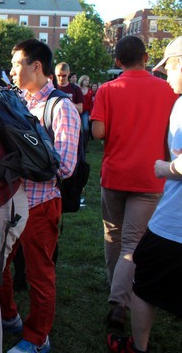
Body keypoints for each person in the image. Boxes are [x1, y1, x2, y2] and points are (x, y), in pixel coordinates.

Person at [90, 35, 177, 331]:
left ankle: (116, 294)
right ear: (146, 56)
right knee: (132, 241)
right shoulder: (167, 89)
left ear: (117, 61)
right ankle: (120, 298)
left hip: (114, 174)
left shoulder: (107, 89)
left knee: (114, 237)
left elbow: (98, 132)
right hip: (150, 175)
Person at [0, 38, 80, 353]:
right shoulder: (17, 101)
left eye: (17, 63)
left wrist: (21, 162)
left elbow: (66, 166)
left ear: (36, 66)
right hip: (9, 201)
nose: (12, 70)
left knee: (38, 274)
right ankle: (9, 317)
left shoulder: (61, 107)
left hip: (40, 204)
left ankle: (37, 338)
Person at [78, 74, 93, 152]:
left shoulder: (90, 90)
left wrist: (90, 114)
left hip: (85, 112)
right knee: (77, 129)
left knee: (86, 128)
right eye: (86, 80)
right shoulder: (78, 89)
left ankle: (84, 146)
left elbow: (91, 103)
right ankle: (77, 146)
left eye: (88, 80)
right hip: (77, 111)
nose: (87, 82)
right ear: (82, 80)